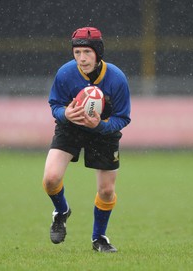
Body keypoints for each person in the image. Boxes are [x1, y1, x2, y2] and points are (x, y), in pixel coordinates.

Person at [42, 26, 131, 253]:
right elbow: (55, 104)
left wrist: (100, 125)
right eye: (77, 53)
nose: (82, 59)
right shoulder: (65, 73)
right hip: (70, 128)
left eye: (87, 52)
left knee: (107, 191)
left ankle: (98, 238)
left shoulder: (117, 79)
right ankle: (61, 212)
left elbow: (123, 117)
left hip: (104, 133)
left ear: (98, 53)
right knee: (51, 179)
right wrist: (65, 114)